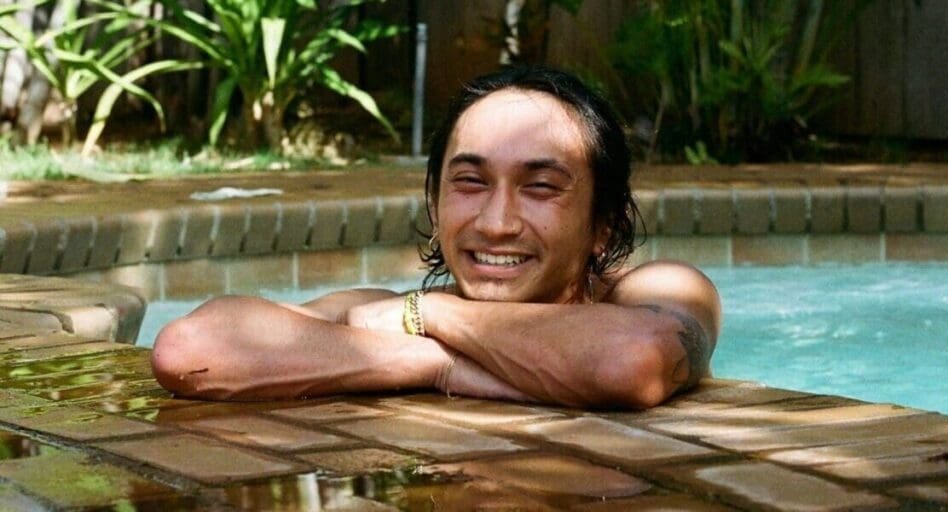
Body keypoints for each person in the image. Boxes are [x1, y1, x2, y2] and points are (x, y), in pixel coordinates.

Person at [151, 66, 721, 409]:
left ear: (605, 226)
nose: (496, 222)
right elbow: (189, 349)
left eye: (541, 187)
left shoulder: (658, 287)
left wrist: (430, 319)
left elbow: (632, 359)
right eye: (470, 182)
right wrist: (431, 363)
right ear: (435, 203)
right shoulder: (382, 311)